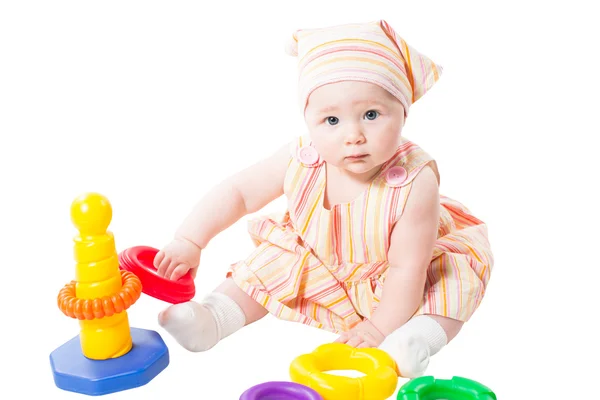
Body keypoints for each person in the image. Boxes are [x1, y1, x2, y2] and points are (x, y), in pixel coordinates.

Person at [153, 19, 494, 378]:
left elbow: (406, 269)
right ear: (309, 121)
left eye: (372, 115)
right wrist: (190, 240)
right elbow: (238, 193)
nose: (353, 135)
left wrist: (378, 329)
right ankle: (214, 317)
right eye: (331, 120)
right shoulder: (302, 157)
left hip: (399, 275)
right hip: (317, 258)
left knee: (452, 285)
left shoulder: (414, 183)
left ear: (403, 113)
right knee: (268, 264)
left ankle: (415, 341)